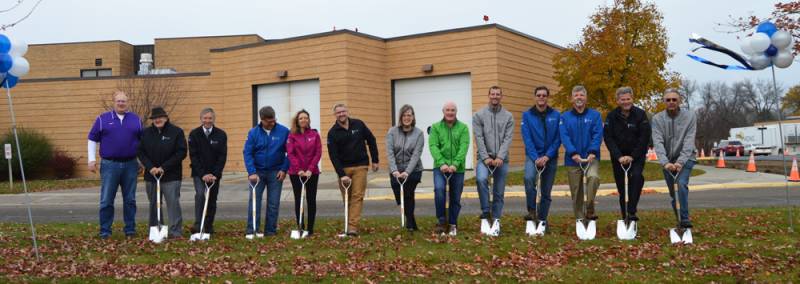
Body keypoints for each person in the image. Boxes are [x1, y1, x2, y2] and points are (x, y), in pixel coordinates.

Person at [87, 91, 143, 239]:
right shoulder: (102, 119)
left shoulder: (136, 120)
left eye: (123, 101)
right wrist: (91, 159)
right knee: (106, 199)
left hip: (131, 164)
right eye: (118, 101)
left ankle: (130, 229)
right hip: (109, 165)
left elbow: (142, 142)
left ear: (128, 102)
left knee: (130, 199)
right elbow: (92, 138)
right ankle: (105, 230)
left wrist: (142, 161)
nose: (121, 103)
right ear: (114, 102)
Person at [327, 104, 379, 236]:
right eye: (338, 112)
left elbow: (371, 140)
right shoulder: (332, 133)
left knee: (357, 196)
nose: (341, 114)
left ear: (347, 111)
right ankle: (349, 222)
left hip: (360, 166)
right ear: (335, 115)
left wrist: (375, 160)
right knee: (347, 198)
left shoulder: (359, 124)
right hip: (344, 169)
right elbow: (333, 156)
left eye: (343, 111)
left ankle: (352, 227)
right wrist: (341, 174)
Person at [137, 106, 187, 239]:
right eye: (155, 118)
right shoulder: (146, 133)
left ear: (165, 118)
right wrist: (150, 167)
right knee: (154, 204)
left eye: (160, 117)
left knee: (173, 204)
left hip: (171, 176)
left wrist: (164, 167)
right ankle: (155, 230)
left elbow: (181, 152)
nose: (157, 120)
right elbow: (140, 152)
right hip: (151, 176)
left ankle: (175, 231)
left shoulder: (176, 132)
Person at [651, 88, 697, 229]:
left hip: (686, 158)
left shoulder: (690, 117)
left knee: (681, 184)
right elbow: (657, 142)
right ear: (664, 101)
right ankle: (678, 218)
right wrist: (665, 162)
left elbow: (689, 141)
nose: (671, 102)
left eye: (674, 100)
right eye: (668, 100)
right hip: (667, 161)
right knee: (673, 192)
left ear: (679, 101)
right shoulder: (657, 119)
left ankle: (684, 219)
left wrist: (680, 162)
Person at [604, 87, 651, 223]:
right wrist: (618, 156)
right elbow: (608, 138)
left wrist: (633, 156)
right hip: (618, 158)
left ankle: (631, 211)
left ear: (632, 99)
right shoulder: (611, 116)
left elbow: (644, 138)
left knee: (637, 178)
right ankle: (625, 216)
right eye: (622, 99)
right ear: (618, 101)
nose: (626, 102)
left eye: (628, 99)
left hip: (636, 157)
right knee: (622, 187)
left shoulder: (641, 115)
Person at [473, 86, 515, 235]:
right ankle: (485, 212)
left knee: (498, 191)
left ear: (501, 96)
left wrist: (500, 157)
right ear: (488, 95)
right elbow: (479, 137)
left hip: (501, 159)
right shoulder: (479, 115)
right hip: (484, 158)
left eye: (498, 94)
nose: (495, 96)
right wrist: (485, 157)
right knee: (481, 179)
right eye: (492, 94)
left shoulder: (508, 116)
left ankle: (496, 218)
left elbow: (508, 139)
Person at [243, 106, 289, 236]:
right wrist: (251, 172)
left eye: (274, 120)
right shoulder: (253, 133)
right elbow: (247, 153)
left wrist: (284, 169)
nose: (272, 123)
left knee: (273, 203)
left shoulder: (284, 131)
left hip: (276, 173)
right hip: (257, 173)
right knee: (254, 202)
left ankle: (270, 231)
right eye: (269, 121)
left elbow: (290, 153)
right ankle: (252, 230)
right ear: (262, 119)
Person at [559, 85, 603, 222]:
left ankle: (590, 208)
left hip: (591, 157)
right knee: (576, 191)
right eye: (576, 95)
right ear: (572, 98)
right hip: (573, 159)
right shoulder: (565, 117)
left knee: (594, 177)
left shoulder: (595, 115)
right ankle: (580, 218)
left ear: (586, 98)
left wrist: (592, 151)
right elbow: (564, 136)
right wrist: (573, 153)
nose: (579, 97)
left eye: (582, 95)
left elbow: (598, 134)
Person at [521, 86, 561, 229]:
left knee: (546, 190)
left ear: (547, 97)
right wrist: (536, 157)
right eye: (539, 95)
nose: (541, 97)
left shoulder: (556, 115)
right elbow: (527, 138)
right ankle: (532, 211)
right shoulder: (527, 115)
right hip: (533, 156)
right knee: (528, 178)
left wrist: (547, 156)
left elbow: (558, 138)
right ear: (535, 97)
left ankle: (542, 219)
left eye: (544, 95)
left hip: (550, 158)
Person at [429, 101, 470, 236]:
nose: (450, 112)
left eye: (453, 110)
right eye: (448, 110)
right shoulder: (435, 127)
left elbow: (464, 147)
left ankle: (452, 223)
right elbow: (433, 146)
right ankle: (441, 221)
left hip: (457, 169)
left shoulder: (463, 128)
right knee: (439, 190)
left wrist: (455, 164)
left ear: (456, 112)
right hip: (440, 167)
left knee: (455, 197)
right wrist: (442, 163)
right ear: (443, 112)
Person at [188, 107, 227, 236]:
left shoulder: (221, 134)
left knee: (212, 199)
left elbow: (222, 156)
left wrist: (214, 174)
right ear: (201, 119)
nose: (207, 120)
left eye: (210, 118)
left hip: (214, 175)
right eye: (205, 118)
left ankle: (208, 226)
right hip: (199, 174)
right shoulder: (194, 134)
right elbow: (193, 156)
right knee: (200, 196)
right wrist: (203, 174)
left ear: (213, 119)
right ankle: (198, 225)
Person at [386, 104, 424, 232]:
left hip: (413, 170)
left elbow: (416, 155)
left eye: (409, 115)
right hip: (396, 169)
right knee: (399, 195)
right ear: (400, 117)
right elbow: (390, 152)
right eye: (404, 115)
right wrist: (394, 170)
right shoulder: (392, 132)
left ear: (413, 117)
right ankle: (411, 219)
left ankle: (409, 224)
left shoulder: (419, 133)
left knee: (408, 193)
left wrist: (407, 172)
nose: (407, 118)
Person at [286, 109, 322, 236]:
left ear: (309, 120)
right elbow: (290, 154)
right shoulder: (291, 136)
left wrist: (310, 169)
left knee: (311, 200)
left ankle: (310, 229)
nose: (303, 120)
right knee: (299, 199)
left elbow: (318, 153)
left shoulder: (314, 134)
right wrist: (299, 170)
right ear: (297, 120)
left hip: (312, 173)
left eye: (306, 118)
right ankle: (301, 227)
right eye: (301, 118)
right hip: (296, 174)